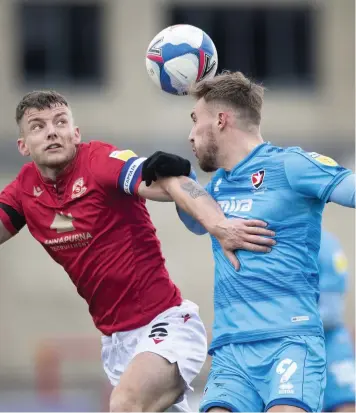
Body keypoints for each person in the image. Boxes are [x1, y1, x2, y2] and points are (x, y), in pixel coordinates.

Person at [0, 91, 276, 412]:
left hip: (167, 325)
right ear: (22, 145)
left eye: (60, 122)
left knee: (124, 404)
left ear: (75, 134)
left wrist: (218, 225)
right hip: (116, 344)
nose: (51, 131)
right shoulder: (23, 191)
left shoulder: (98, 162)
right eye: (37, 126)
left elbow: (166, 180)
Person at [150, 71, 355, 412]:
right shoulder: (214, 189)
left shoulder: (290, 166)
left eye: (194, 120)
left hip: (290, 342)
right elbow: (190, 215)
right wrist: (170, 172)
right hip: (231, 353)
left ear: (221, 120)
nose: (190, 135)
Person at [318, 230, 355, 412]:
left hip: (328, 340)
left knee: (345, 403)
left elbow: (331, 312)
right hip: (293, 340)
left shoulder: (324, 244)